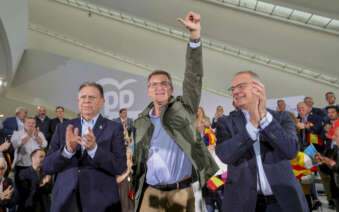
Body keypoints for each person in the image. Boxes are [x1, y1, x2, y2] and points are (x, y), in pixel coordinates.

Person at [133, 11, 218, 212]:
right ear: (148, 90)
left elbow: (193, 77)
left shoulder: (184, 108)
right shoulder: (140, 122)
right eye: (153, 84)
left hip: (185, 192)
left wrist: (195, 38)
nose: (159, 87)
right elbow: (139, 161)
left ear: (171, 89)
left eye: (164, 84)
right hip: (152, 194)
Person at [215, 71, 308, 212]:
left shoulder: (281, 118)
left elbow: (290, 150)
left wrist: (264, 118)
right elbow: (225, 155)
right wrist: (251, 126)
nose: (235, 92)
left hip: (283, 203)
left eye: (240, 86)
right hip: (241, 204)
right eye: (232, 89)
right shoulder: (225, 123)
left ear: (257, 87)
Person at [42, 82, 127, 212]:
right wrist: (67, 151)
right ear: (78, 101)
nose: (86, 100)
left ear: (102, 101)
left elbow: (120, 166)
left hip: (100, 202)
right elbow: (47, 166)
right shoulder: (63, 128)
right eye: (83, 97)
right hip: (65, 202)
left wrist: (94, 150)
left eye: (92, 97)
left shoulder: (114, 128)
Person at [316, 127, 339, 212]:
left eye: (336, 135)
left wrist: (333, 166)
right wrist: (322, 163)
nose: (333, 137)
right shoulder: (336, 150)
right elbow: (331, 171)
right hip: (337, 193)